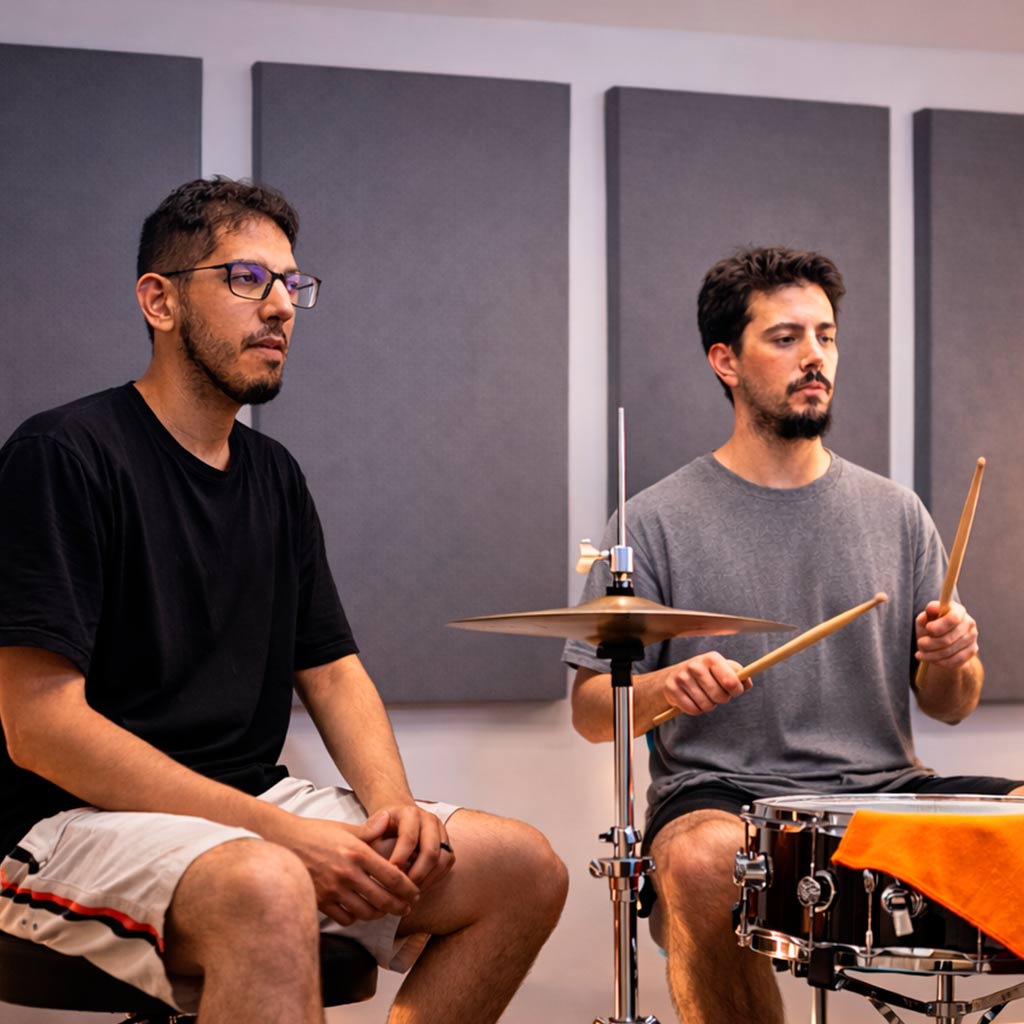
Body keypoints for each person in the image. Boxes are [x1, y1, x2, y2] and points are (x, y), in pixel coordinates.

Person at [0, 176, 568, 1024]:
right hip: (65, 825)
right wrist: (279, 837)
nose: (280, 307)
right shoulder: (63, 454)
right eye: (246, 279)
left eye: (291, 284)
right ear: (158, 300)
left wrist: (392, 806)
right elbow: (38, 724)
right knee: (268, 884)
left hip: (246, 804)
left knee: (523, 868)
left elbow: (333, 671)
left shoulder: (274, 476)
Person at [564, 246, 1022, 1023]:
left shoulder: (897, 512)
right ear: (726, 360)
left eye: (826, 336)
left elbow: (949, 706)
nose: (815, 357)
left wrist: (957, 659)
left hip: (885, 792)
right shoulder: (650, 522)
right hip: (725, 795)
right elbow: (588, 711)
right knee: (704, 862)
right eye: (785, 338)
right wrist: (664, 687)